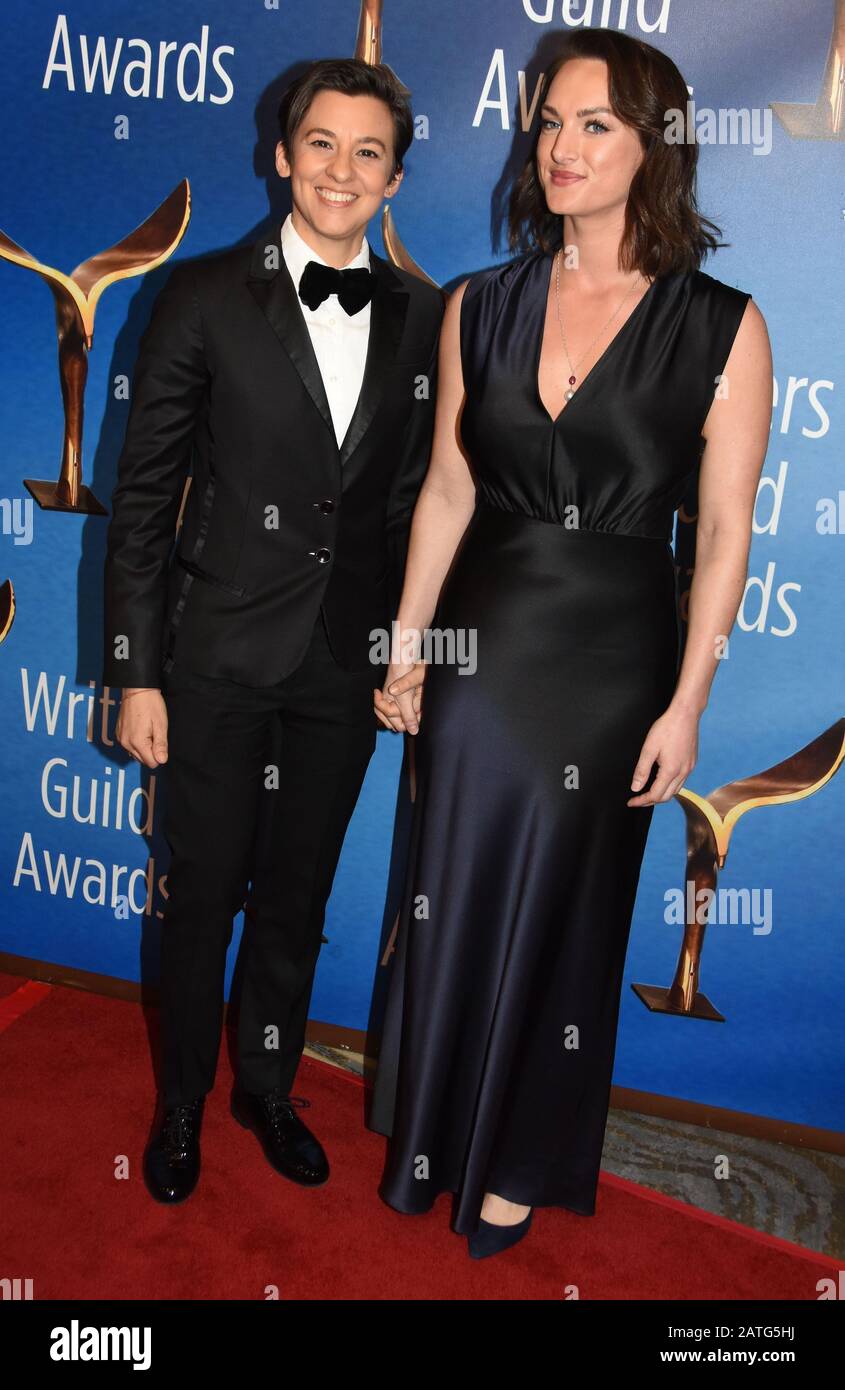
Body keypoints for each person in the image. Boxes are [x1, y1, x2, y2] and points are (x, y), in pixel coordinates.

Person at [367, 27, 772, 1259]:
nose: (560, 147)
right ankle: (435, 1127)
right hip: (480, 641)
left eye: (592, 124)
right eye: (547, 121)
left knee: (569, 905)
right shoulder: (476, 306)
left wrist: (687, 703)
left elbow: (719, 536)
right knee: (451, 886)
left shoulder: (721, 327)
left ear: (653, 144)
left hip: (611, 662)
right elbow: (444, 491)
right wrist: (407, 647)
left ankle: (524, 1153)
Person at [102, 57, 444, 1204]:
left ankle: (265, 1087)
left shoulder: (424, 317)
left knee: (296, 895)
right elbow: (143, 501)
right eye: (321, 145)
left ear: (394, 175)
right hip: (212, 661)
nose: (340, 171)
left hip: (339, 672)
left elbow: (410, 508)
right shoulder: (199, 296)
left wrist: (412, 650)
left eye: (367, 152)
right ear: (280, 153)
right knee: (199, 895)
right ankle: (181, 1108)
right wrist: (134, 674)